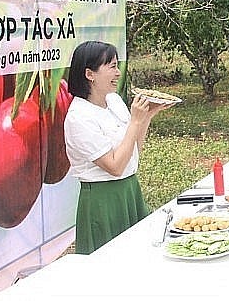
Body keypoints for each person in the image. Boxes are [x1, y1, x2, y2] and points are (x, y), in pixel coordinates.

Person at [64, 41, 172, 254]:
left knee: (139, 256)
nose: (117, 72)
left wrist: (147, 116)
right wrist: (134, 122)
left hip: (129, 190)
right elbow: (114, 166)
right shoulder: (78, 117)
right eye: (111, 66)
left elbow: (132, 151)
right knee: (109, 265)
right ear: (89, 74)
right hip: (103, 199)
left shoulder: (113, 101)